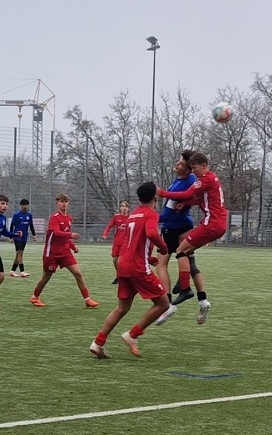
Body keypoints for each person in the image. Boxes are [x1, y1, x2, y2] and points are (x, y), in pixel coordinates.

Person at [91, 181, 172, 358]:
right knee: (163, 303)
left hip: (124, 264)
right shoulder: (151, 213)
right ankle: (133, 334)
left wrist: (148, 258)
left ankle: (98, 343)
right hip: (137, 267)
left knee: (122, 308)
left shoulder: (134, 214)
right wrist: (163, 247)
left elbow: (133, 242)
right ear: (155, 197)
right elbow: (151, 233)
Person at [157, 150, 228, 323]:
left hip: (210, 225)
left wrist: (162, 193)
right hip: (215, 224)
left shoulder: (204, 179)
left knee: (179, 252)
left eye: (194, 168)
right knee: (188, 257)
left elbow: (187, 194)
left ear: (203, 165)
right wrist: (186, 203)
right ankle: (202, 301)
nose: (193, 171)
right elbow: (198, 198)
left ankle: (184, 289)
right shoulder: (209, 178)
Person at [156, 152, 207, 318]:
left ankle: (168, 303)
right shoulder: (189, 179)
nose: (177, 165)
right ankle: (202, 299)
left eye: (181, 164)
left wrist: (150, 218)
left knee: (161, 264)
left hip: (172, 227)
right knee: (190, 263)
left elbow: (167, 214)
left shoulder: (183, 183)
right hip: (185, 224)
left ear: (188, 170)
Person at [30, 194, 99, 308]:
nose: (64, 204)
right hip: (51, 253)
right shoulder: (54, 217)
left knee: (78, 273)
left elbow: (65, 235)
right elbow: (57, 233)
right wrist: (71, 235)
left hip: (65, 252)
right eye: (61, 201)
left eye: (65, 201)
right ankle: (35, 297)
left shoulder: (69, 218)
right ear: (57, 203)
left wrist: (73, 246)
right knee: (46, 277)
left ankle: (87, 300)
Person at [9, 199, 36, 277]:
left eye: (26, 205)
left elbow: (31, 225)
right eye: (23, 205)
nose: (25, 206)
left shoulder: (29, 215)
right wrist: (11, 236)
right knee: (20, 252)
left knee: (18, 254)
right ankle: (22, 271)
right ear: (21, 206)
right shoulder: (16, 215)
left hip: (24, 237)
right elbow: (12, 225)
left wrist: (34, 235)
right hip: (17, 237)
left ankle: (12, 271)